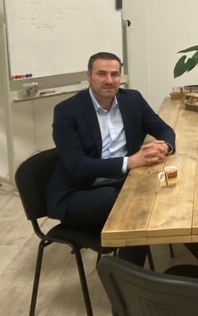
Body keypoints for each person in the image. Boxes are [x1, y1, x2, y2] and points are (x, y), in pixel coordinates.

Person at [47, 52, 176, 266]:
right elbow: (77, 166)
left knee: (167, 193)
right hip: (78, 192)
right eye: (102, 74)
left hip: (122, 182)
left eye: (114, 74)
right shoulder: (67, 111)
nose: (109, 80)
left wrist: (165, 146)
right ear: (89, 76)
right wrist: (130, 162)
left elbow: (164, 129)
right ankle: (126, 277)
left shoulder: (132, 100)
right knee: (135, 206)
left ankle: (128, 274)